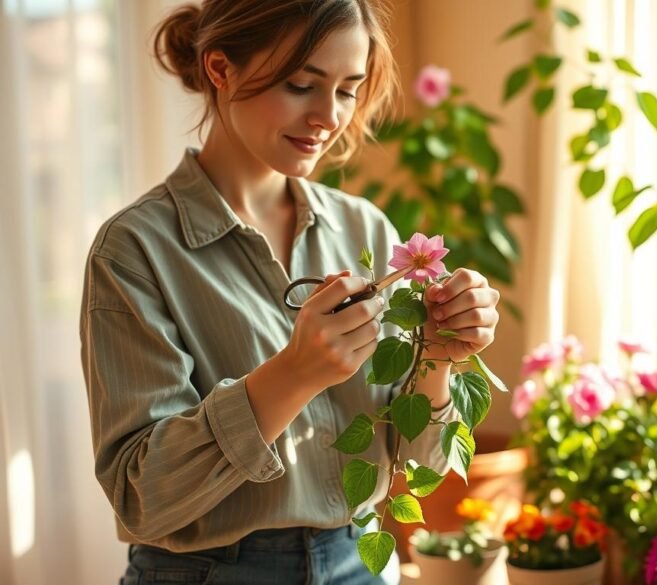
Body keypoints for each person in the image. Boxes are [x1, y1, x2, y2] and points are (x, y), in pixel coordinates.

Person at [78, 1, 500, 583]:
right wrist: (295, 373)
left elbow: (423, 458)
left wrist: (437, 357)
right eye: (302, 84)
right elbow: (140, 497)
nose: (329, 116)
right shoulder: (136, 249)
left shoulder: (365, 229)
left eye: (348, 90)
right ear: (220, 70)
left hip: (361, 561)